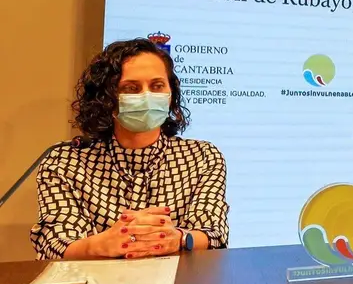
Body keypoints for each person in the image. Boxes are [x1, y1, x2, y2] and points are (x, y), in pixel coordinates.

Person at [30, 38, 229, 260]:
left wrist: (179, 238)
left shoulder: (202, 157)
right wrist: (100, 245)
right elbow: (55, 244)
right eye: (131, 88)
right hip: (94, 281)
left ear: (171, 93)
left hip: (179, 281)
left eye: (157, 86)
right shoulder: (64, 162)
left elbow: (214, 234)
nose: (146, 96)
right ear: (106, 98)